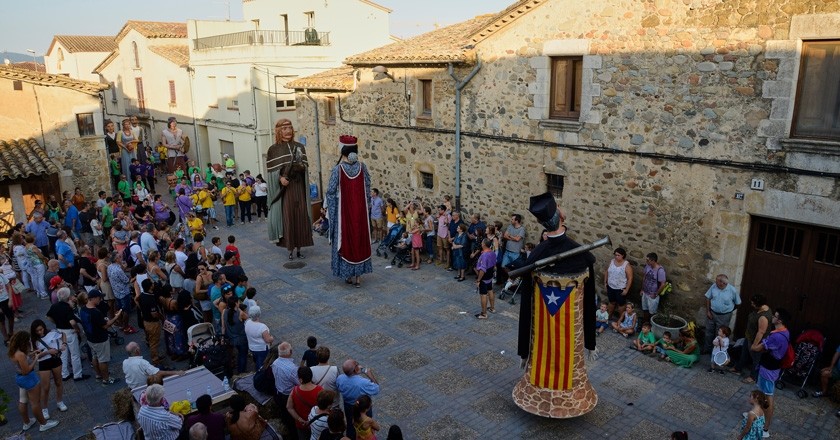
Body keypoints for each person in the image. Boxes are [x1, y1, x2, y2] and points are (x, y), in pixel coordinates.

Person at [326, 135, 372, 287]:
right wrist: (367, 207)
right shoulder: (362, 167)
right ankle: (358, 277)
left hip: (344, 214)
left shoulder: (338, 170)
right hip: (360, 213)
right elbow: (367, 188)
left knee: (345, 240)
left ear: (342, 151)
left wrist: (331, 211)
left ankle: (348, 276)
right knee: (359, 240)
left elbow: (331, 191)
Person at [266, 119, 314, 257]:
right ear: (278, 131)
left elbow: (304, 167)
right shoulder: (273, 150)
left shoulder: (299, 147)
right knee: (289, 218)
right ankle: (290, 249)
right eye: (285, 128)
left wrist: (300, 167)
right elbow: (272, 174)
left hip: (298, 187)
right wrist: (280, 179)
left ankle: (299, 248)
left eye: (290, 128)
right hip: (285, 192)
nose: (288, 131)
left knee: (301, 218)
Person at [8, 331, 60, 432]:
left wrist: (32, 354)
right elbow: (26, 371)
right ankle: (43, 424)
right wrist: (36, 358)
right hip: (28, 379)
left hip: (19, 379)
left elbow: (21, 362)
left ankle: (27, 422)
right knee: (35, 403)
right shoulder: (20, 354)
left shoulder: (13, 351)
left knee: (23, 400)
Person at [751, 308, 791, 438]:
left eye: (775, 316)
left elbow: (756, 348)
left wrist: (758, 337)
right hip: (769, 367)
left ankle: (765, 428)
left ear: (779, 320)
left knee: (768, 397)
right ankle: (757, 414)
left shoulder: (776, 336)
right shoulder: (784, 332)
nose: (772, 317)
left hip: (769, 369)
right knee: (763, 393)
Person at [79, 289, 122, 385]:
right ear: (93, 298)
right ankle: (106, 379)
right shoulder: (95, 312)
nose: (100, 300)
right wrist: (116, 317)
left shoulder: (83, 309)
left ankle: (98, 375)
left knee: (94, 357)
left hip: (90, 338)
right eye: (99, 298)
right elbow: (106, 326)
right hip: (100, 339)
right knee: (103, 360)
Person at [46, 288, 89, 381]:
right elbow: (72, 322)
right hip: (69, 332)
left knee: (63, 354)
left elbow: (48, 316)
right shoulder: (67, 308)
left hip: (59, 331)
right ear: (67, 297)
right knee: (75, 354)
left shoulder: (54, 306)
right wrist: (77, 330)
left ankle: (64, 374)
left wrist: (56, 322)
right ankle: (77, 374)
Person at [731, 294, 773, 384]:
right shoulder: (759, 309)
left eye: (753, 303)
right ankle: (738, 368)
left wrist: (755, 345)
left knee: (756, 360)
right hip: (749, 337)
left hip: (756, 341)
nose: (752, 305)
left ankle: (753, 377)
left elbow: (761, 332)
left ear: (759, 304)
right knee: (744, 353)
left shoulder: (763, 317)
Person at [30, 319, 67, 419]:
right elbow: (34, 356)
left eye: (41, 329)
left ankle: (60, 402)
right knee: (45, 387)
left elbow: (63, 334)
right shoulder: (33, 340)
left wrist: (64, 344)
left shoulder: (52, 332)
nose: (40, 332)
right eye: (37, 331)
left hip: (55, 360)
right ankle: (44, 409)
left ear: (44, 327)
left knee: (58, 381)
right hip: (44, 363)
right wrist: (47, 352)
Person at [336, 358, 380, 440]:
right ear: (355, 370)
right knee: (364, 424)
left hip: (348, 405)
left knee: (350, 423)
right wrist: (369, 374)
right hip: (362, 407)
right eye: (357, 364)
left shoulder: (340, 379)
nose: (359, 365)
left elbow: (338, 388)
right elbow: (376, 389)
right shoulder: (363, 383)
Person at [704, 274, 741, 354]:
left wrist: (729, 310)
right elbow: (708, 298)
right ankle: (707, 349)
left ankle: (716, 351)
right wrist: (708, 311)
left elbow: (738, 303)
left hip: (724, 316)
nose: (715, 283)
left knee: (720, 335)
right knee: (708, 332)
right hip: (712, 313)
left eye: (717, 282)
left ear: (723, 283)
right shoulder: (714, 286)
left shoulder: (732, 290)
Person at [287, 366, 324, 440]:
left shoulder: (295, 391)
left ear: (301, 379)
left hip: (302, 425)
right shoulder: (320, 389)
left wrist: (300, 419)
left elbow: (289, 407)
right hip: (317, 424)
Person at [272, 342, 299, 433]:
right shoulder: (292, 368)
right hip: (288, 395)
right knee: (291, 417)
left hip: (278, 392)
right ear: (290, 352)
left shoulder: (275, 363)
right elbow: (299, 383)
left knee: (284, 413)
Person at [604, 247, 633, 320]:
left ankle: (621, 319)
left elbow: (630, 278)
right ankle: (608, 317)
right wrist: (605, 282)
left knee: (621, 305)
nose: (616, 257)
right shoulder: (612, 261)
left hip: (620, 288)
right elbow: (607, 271)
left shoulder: (626, 265)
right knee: (611, 302)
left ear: (623, 255)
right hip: (611, 286)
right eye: (615, 255)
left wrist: (626, 290)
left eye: (618, 255)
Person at [473, 238, 497, 319]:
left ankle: (484, 314)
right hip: (490, 274)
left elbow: (483, 269)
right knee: (490, 290)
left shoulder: (484, 255)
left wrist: (478, 280)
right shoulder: (492, 253)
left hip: (484, 276)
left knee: (483, 294)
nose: (481, 243)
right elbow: (494, 265)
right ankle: (492, 308)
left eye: (482, 242)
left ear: (484, 244)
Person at [640, 252, 666, 323]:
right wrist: (642, 289)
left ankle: (651, 326)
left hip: (652, 294)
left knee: (652, 312)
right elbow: (644, 277)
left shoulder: (660, 270)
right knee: (645, 309)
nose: (646, 262)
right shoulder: (648, 266)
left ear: (653, 261)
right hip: (645, 292)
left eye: (648, 260)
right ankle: (645, 324)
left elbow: (663, 284)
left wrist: (656, 293)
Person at [245, 306, 273, 370]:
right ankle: (260, 375)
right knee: (261, 364)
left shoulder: (247, 322)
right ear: (259, 314)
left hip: (252, 347)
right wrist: (272, 338)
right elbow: (267, 340)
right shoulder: (262, 327)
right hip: (261, 349)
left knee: (256, 361)